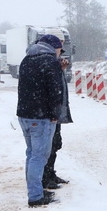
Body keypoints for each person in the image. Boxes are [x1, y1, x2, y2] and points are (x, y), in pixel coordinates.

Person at [16, 34, 64, 207]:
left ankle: (35, 190)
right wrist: (55, 114)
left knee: (31, 154)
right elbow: (55, 91)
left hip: (24, 115)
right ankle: (35, 197)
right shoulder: (50, 61)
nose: (60, 53)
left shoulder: (27, 59)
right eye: (60, 49)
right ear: (54, 47)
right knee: (38, 157)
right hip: (41, 117)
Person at [42, 52, 73, 190]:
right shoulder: (47, 61)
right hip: (49, 114)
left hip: (55, 112)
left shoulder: (54, 61)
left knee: (55, 144)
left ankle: (50, 173)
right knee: (48, 146)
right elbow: (50, 87)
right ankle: (45, 177)